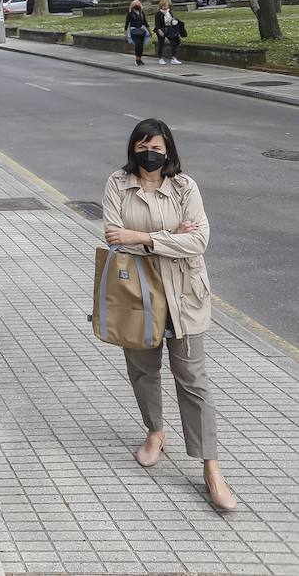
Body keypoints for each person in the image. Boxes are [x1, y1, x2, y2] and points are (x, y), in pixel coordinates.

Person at [101, 118, 236, 511]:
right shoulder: (117, 183)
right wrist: (170, 237)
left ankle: (212, 468)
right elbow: (113, 237)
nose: (150, 152)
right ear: (134, 148)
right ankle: (156, 431)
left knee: (193, 381)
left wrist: (142, 237)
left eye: (156, 146)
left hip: (185, 295)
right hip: (136, 293)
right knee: (143, 371)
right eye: (143, 145)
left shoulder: (184, 186)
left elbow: (199, 241)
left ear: (168, 150)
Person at [154, 0, 185, 65]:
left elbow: (172, 19)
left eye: (167, 6)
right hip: (161, 29)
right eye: (164, 6)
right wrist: (159, 30)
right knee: (161, 43)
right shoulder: (158, 14)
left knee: (173, 43)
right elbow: (157, 24)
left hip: (169, 29)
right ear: (161, 6)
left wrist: (174, 22)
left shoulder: (169, 12)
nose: (166, 7)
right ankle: (160, 58)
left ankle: (173, 58)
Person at [124, 0, 150, 66]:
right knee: (137, 44)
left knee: (141, 46)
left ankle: (140, 59)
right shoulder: (130, 14)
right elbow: (126, 25)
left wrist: (150, 31)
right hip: (134, 31)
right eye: (136, 4)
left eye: (138, 3)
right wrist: (126, 34)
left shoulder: (142, 14)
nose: (137, 5)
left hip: (142, 31)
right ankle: (137, 59)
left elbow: (146, 23)